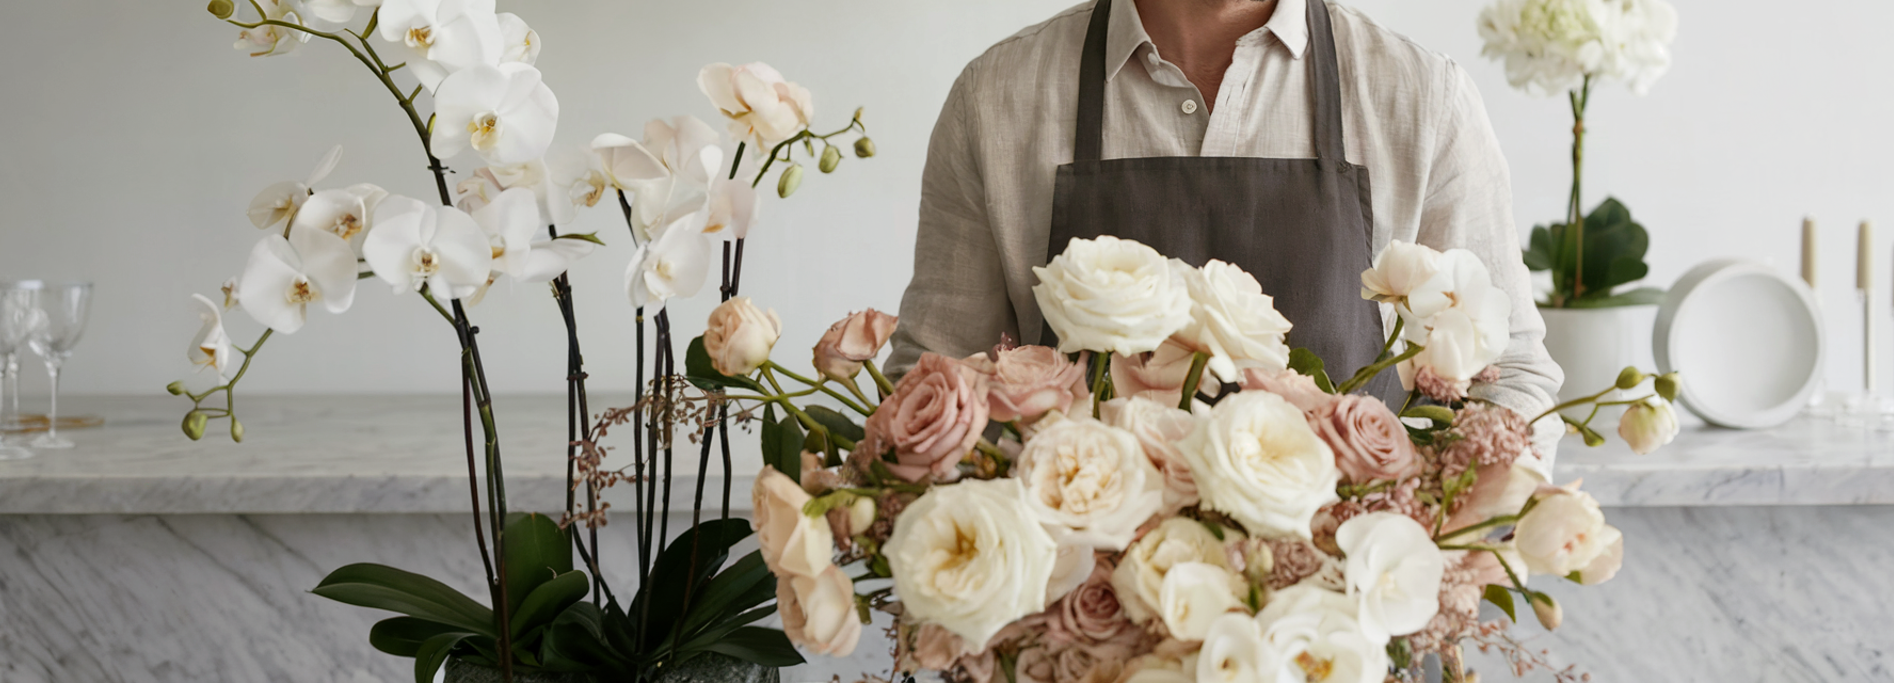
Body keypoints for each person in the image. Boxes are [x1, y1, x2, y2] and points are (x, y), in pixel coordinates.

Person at [887, 0, 1562, 454]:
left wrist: (1428, 550)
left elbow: (1509, 382)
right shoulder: (997, 98)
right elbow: (932, 381)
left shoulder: (1419, 99)